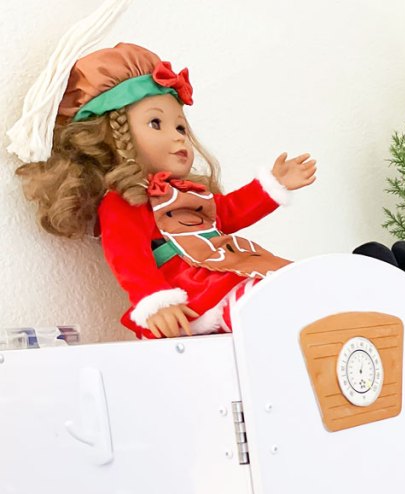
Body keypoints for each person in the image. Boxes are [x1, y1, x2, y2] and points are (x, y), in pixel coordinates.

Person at [11, 42, 316, 339]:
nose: (179, 138)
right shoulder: (124, 202)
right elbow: (129, 257)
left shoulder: (189, 195)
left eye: (181, 127)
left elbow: (229, 211)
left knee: (293, 282)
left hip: (223, 271)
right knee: (267, 298)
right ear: (116, 137)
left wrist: (271, 187)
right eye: (156, 123)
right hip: (195, 295)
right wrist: (156, 301)